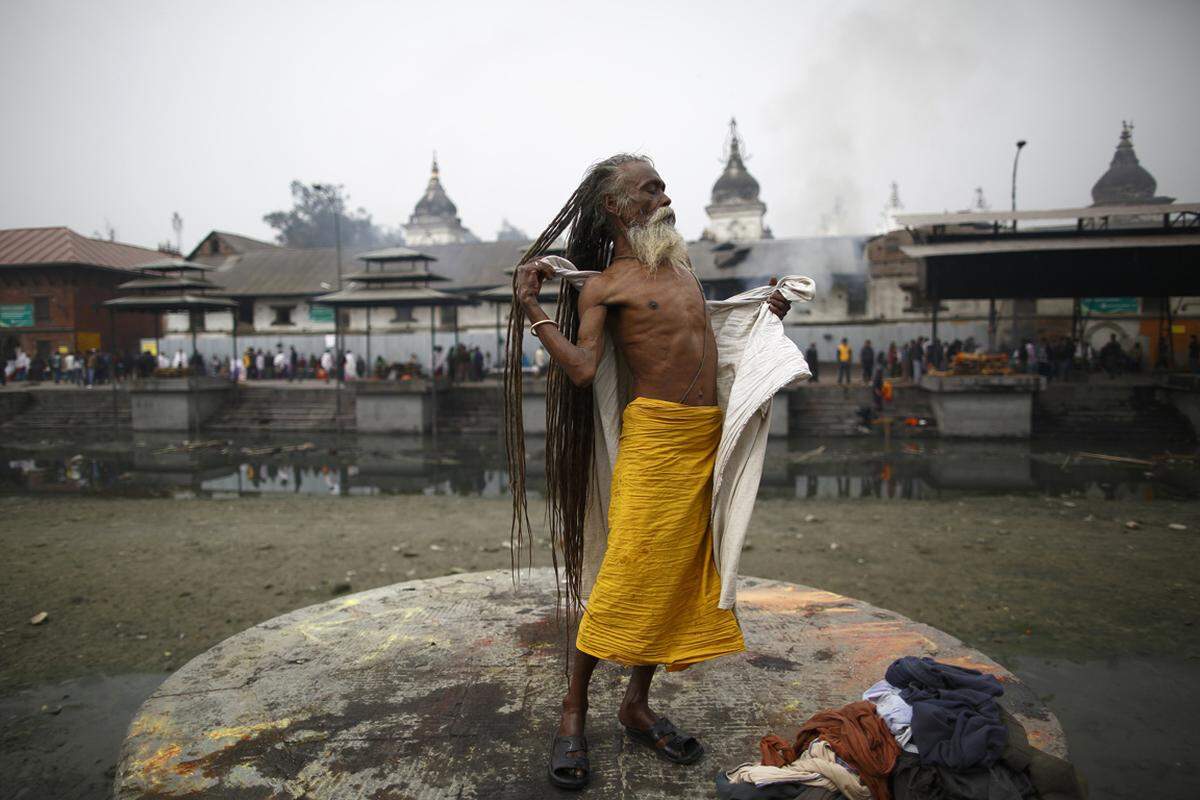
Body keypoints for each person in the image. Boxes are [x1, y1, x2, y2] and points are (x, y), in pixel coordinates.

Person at [505, 154, 802, 790]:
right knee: (626, 574)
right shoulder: (604, 286)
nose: (665, 196)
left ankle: (636, 704)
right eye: (650, 188)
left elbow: (710, 330)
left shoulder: (682, 269)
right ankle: (573, 709)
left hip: (703, 439)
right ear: (617, 207)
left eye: (664, 184)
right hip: (654, 442)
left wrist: (766, 310)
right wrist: (534, 309)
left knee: (677, 577)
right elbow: (584, 368)